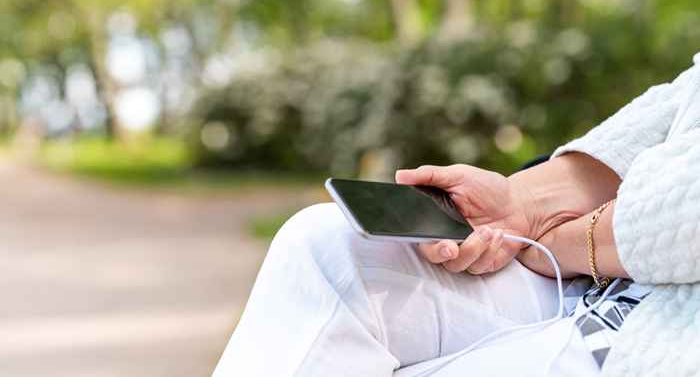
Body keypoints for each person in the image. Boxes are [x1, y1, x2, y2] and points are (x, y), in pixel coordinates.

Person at [212, 57, 700, 377]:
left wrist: (571, 243)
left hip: (668, 336)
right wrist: (523, 205)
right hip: (612, 286)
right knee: (327, 247)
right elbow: (681, 103)